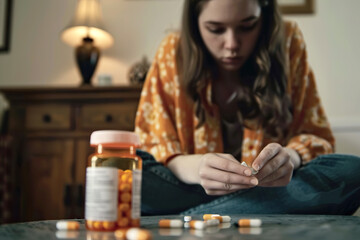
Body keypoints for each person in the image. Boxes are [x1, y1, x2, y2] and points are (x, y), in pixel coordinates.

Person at [135, 0, 360, 215]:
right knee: (117, 171)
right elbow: (154, 144)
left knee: (352, 172)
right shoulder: (172, 51)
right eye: (215, 29)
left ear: (264, 19)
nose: (232, 44)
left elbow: (316, 137)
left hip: (272, 189)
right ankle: (243, 212)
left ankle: (202, 218)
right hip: (193, 189)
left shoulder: (288, 41)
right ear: (195, 24)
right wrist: (195, 168)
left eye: (247, 26)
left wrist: (289, 158)